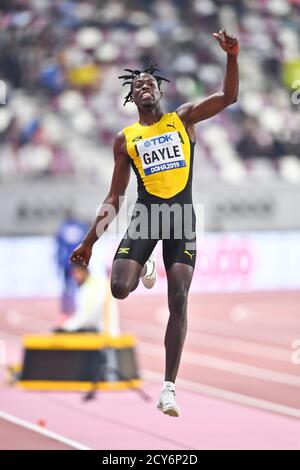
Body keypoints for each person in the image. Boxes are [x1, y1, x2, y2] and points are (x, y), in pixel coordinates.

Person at [70, 30, 239, 417]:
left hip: (180, 218)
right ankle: (143, 262)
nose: (144, 87)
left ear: (160, 92)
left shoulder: (183, 119)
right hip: (146, 217)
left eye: (150, 83)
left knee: (178, 299)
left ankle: (168, 388)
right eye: (137, 85)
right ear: (132, 98)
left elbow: (229, 98)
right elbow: (113, 198)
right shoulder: (125, 139)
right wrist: (88, 243)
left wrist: (232, 57)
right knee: (118, 288)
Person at [56, 210, 88, 315]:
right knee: (82, 284)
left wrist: (58, 263)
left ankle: (66, 309)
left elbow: (59, 248)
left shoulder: (62, 228)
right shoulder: (81, 226)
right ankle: (81, 307)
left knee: (67, 286)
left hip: (67, 262)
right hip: (79, 261)